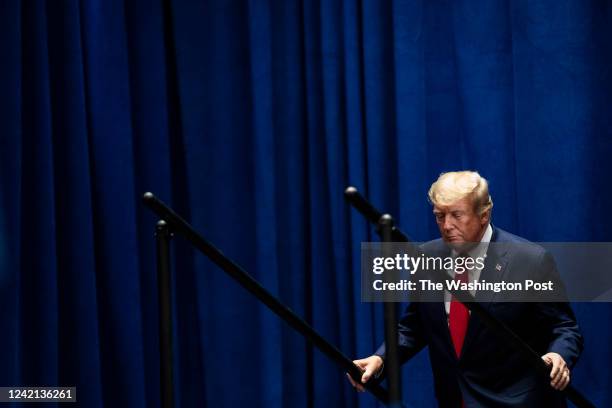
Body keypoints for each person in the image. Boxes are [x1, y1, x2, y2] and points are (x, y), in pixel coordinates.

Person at [347, 171, 583, 407]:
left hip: (517, 401)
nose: (447, 225)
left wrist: (558, 355)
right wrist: (380, 358)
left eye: (457, 215)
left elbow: (564, 328)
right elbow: (414, 326)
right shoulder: (427, 258)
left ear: (484, 214)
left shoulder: (530, 260)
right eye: (439, 216)